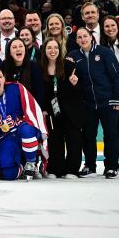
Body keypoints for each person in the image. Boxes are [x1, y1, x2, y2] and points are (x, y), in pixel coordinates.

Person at [69, 27, 119, 178]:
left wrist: (117, 99)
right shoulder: (73, 56)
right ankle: (90, 165)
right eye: (79, 37)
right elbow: (70, 78)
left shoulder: (104, 52)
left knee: (111, 134)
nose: (82, 39)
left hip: (108, 102)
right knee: (88, 135)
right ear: (76, 40)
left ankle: (112, 166)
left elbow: (117, 76)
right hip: (88, 104)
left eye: (85, 36)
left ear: (91, 37)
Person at [0, 68, 48, 180]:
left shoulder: (16, 88)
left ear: (4, 79)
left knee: (27, 131)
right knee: (8, 175)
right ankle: (21, 167)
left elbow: (31, 108)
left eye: (0, 76)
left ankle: (31, 164)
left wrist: (38, 126)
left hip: (22, 128)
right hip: (6, 137)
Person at [40, 38, 83, 178]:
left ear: (60, 50)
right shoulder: (40, 68)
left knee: (73, 139)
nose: (53, 51)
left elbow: (80, 90)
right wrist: (44, 109)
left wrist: (75, 83)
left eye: (55, 48)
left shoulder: (69, 65)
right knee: (54, 140)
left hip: (70, 110)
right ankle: (55, 169)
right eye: (49, 48)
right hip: (52, 111)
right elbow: (40, 92)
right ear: (44, 50)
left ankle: (72, 170)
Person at [100, 16, 119, 169]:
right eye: (107, 26)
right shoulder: (102, 47)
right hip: (110, 90)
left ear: (118, 26)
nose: (110, 28)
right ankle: (113, 161)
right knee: (113, 127)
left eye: (112, 25)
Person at [1, 38, 44, 108]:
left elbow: (40, 91)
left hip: (31, 108)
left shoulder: (34, 67)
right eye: (14, 47)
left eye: (21, 46)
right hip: (9, 108)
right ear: (9, 52)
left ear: (25, 49)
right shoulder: (3, 66)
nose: (18, 49)